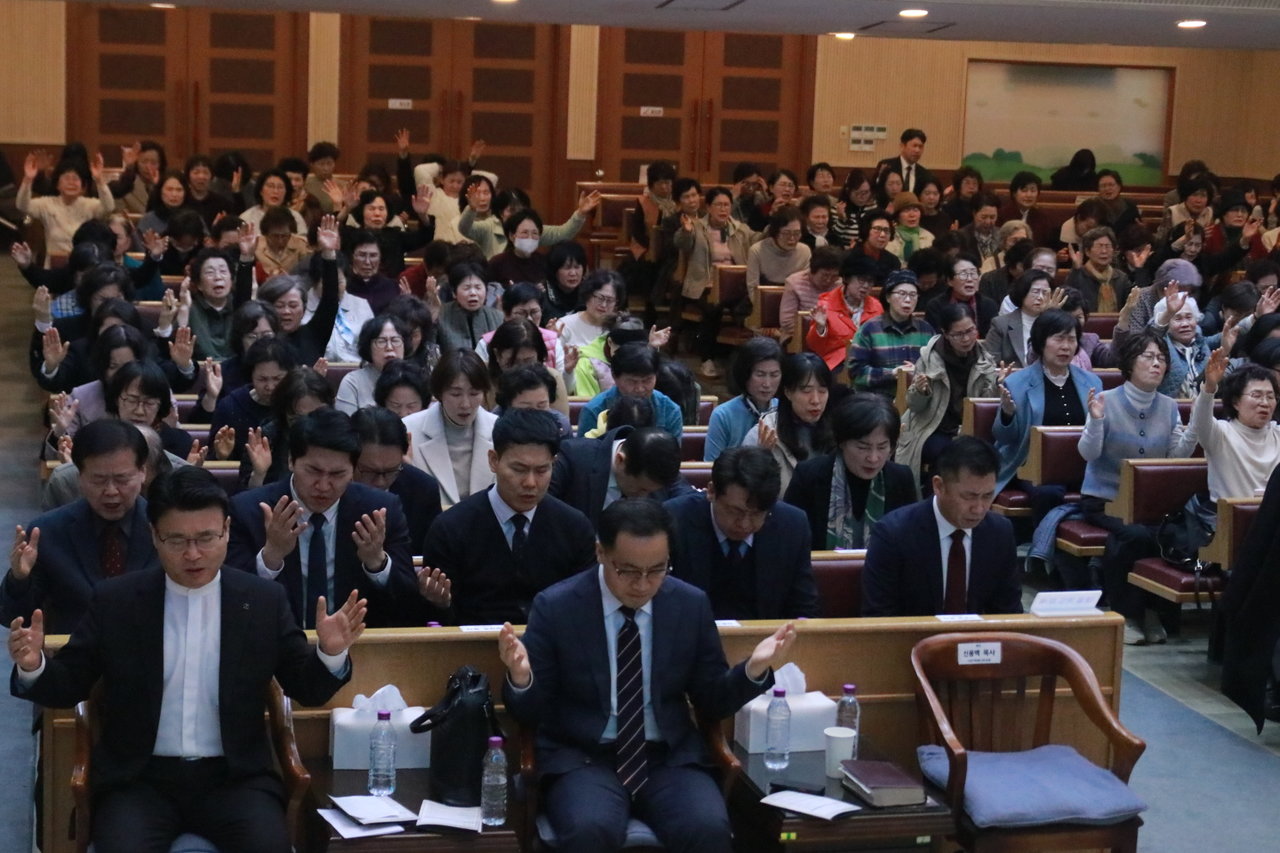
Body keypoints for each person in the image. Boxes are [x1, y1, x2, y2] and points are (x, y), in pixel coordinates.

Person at [8, 466, 363, 853]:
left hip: (235, 780)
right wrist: (33, 665)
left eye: (206, 538)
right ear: (154, 536)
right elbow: (71, 682)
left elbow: (305, 687)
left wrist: (330, 652)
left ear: (226, 530)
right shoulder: (117, 602)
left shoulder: (261, 601)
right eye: (176, 540)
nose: (192, 554)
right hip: (139, 781)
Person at [499, 498, 796, 853]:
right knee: (589, 830)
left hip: (667, 758)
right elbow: (530, 713)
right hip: (584, 759)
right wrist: (521, 679)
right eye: (627, 571)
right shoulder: (557, 607)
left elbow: (711, 700)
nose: (642, 585)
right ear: (600, 552)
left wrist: (753, 669)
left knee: (708, 828)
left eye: (657, 570)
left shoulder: (689, 605)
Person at [226, 408, 417, 629]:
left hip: (357, 642)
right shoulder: (249, 510)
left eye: (337, 474)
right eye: (313, 471)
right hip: (274, 642)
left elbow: (409, 603)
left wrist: (377, 563)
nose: (324, 486)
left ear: (353, 470)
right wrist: (271, 557)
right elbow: (231, 601)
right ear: (291, 461)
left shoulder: (380, 511)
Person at [418, 409, 596, 626]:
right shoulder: (451, 528)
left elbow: (583, 605)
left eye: (542, 470)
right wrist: (440, 604)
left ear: (554, 463)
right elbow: (435, 618)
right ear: (494, 460)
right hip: (472, 642)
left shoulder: (574, 527)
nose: (530, 483)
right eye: (519, 469)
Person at [1077, 330, 1198, 645]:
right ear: (1130, 362)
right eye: (1149, 356)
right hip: (1105, 498)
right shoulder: (1105, 400)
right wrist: (1096, 421)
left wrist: (1196, 425)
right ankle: (1127, 613)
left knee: (1172, 534)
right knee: (1134, 535)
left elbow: (1176, 457)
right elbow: (1087, 453)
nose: (1157, 363)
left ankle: (1153, 611)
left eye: (1161, 358)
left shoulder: (1169, 406)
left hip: (1150, 504)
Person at [1, 420, 159, 635]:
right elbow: (12, 617)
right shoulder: (48, 532)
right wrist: (19, 579)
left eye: (122, 479)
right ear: (80, 477)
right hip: (73, 652)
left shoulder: (166, 528)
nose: (111, 491)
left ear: (142, 473)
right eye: (98, 480)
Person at [862, 436, 1023, 617]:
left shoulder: (999, 533)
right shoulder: (894, 534)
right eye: (969, 496)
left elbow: (1009, 612)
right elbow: (879, 616)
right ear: (939, 486)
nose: (979, 508)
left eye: (987, 496)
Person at [661, 447, 816, 619]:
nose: (744, 524)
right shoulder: (673, 520)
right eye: (735, 511)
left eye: (757, 514)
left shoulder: (792, 525)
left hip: (767, 634)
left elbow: (803, 606)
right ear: (711, 491)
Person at [992, 310, 1103, 509]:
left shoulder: (1092, 382)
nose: (1066, 346)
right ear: (1041, 342)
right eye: (1059, 339)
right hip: (1032, 465)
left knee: (1107, 487)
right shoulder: (1017, 383)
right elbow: (1005, 439)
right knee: (1048, 492)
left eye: (1071, 340)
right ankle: (1046, 530)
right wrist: (1007, 414)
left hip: (1082, 465)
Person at [784, 394, 916, 550]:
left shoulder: (901, 479)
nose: (873, 458)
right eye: (862, 447)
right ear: (842, 442)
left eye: (882, 447)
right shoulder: (809, 477)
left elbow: (910, 541)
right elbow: (790, 540)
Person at [898, 303, 1001, 487]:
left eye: (970, 331)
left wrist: (998, 386)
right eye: (958, 334)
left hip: (970, 429)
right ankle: (938, 497)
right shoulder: (929, 359)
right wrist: (921, 391)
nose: (966, 339)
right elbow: (914, 407)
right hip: (932, 427)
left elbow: (985, 405)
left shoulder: (985, 360)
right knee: (948, 454)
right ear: (945, 334)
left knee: (988, 453)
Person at [671, 186, 757, 379]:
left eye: (726, 205)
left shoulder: (740, 229)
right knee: (713, 307)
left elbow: (759, 240)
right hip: (704, 285)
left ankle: (745, 359)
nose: (723, 209)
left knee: (749, 308)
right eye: (718, 205)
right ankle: (707, 359)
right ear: (708, 207)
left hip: (736, 285)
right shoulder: (696, 227)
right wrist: (686, 232)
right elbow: (681, 243)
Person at [402, 348, 498, 508]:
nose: (465, 404)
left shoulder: (500, 430)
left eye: (474, 394)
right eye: (456, 394)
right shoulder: (409, 429)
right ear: (439, 393)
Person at [551, 425, 693, 528]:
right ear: (620, 460)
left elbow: (690, 503)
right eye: (641, 489)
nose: (644, 497)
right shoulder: (573, 457)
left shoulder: (660, 465)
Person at [742, 352, 835, 493]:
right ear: (788, 392)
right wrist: (761, 457)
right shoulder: (763, 433)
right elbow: (745, 491)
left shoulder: (840, 430)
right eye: (806, 391)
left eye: (822, 391)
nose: (816, 400)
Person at [847, 270, 935, 397]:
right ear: (888, 297)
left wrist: (919, 373)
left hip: (917, 401)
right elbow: (856, 373)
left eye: (913, 295)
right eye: (902, 294)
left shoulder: (926, 330)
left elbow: (937, 370)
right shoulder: (869, 329)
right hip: (877, 400)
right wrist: (893, 373)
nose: (908, 300)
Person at [577, 343, 684, 438]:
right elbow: (585, 449)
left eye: (647, 380)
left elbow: (672, 452)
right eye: (632, 381)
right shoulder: (594, 410)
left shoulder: (670, 410)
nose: (640, 388)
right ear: (614, 376)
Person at [704, 337, 781, 462]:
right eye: (760, 374)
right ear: (745, 374)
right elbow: (712, 466)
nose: (767, 384)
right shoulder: (723, 415)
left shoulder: (786, 411)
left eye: (774, 375)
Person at [984, 269, 1061, 369]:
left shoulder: (1055, 323)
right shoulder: (1001, 324)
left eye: (1045, 293)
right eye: (1035, 292)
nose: (1040, 297)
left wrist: (1050, 317)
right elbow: (989, 363)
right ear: (1023, 292)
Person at [335, 315, 409, 414]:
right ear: (368, 348)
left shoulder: (416, 377)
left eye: (395, 340)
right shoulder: (353, 382)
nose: (389, 347)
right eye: (381, 341)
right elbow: (344, 422)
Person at [746, 207, 811, 311]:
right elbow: (752, 289)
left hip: (793, 308)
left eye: (796, 233)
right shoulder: (757, 250)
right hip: (762, 306)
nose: (792, 238)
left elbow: (805, 290)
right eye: (786, 233)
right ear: (775, 232)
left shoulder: (804, 251)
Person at [924, 253, 999, 337]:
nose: (970, 279)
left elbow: (993, 338)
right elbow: (936, 339)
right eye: (963, 274)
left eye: (973, 273)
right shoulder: (936, 306)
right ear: (949, 281)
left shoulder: (989, 305)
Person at [1064, 226, 1133, 313]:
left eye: (1107, 246)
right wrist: (1076, 270)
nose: (1104, 251)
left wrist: (1139, 270)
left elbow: (1134, 304)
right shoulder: (1078, 275)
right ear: (1087, 251)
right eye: (1099, 246)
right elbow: (1067, 301)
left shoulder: (1121, 278)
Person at [998, 171, 1053, 247]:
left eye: (1033, 191)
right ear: (1014, 193)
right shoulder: (1002, 215)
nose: (1029, 195)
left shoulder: (1043, 218)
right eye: (1024, 190)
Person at [875, 128, 934, 195]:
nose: (917, 150)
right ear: (902, 146)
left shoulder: (925, 174)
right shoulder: (887, 166)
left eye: (920, 147)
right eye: (914, 146)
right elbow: (876, 190)